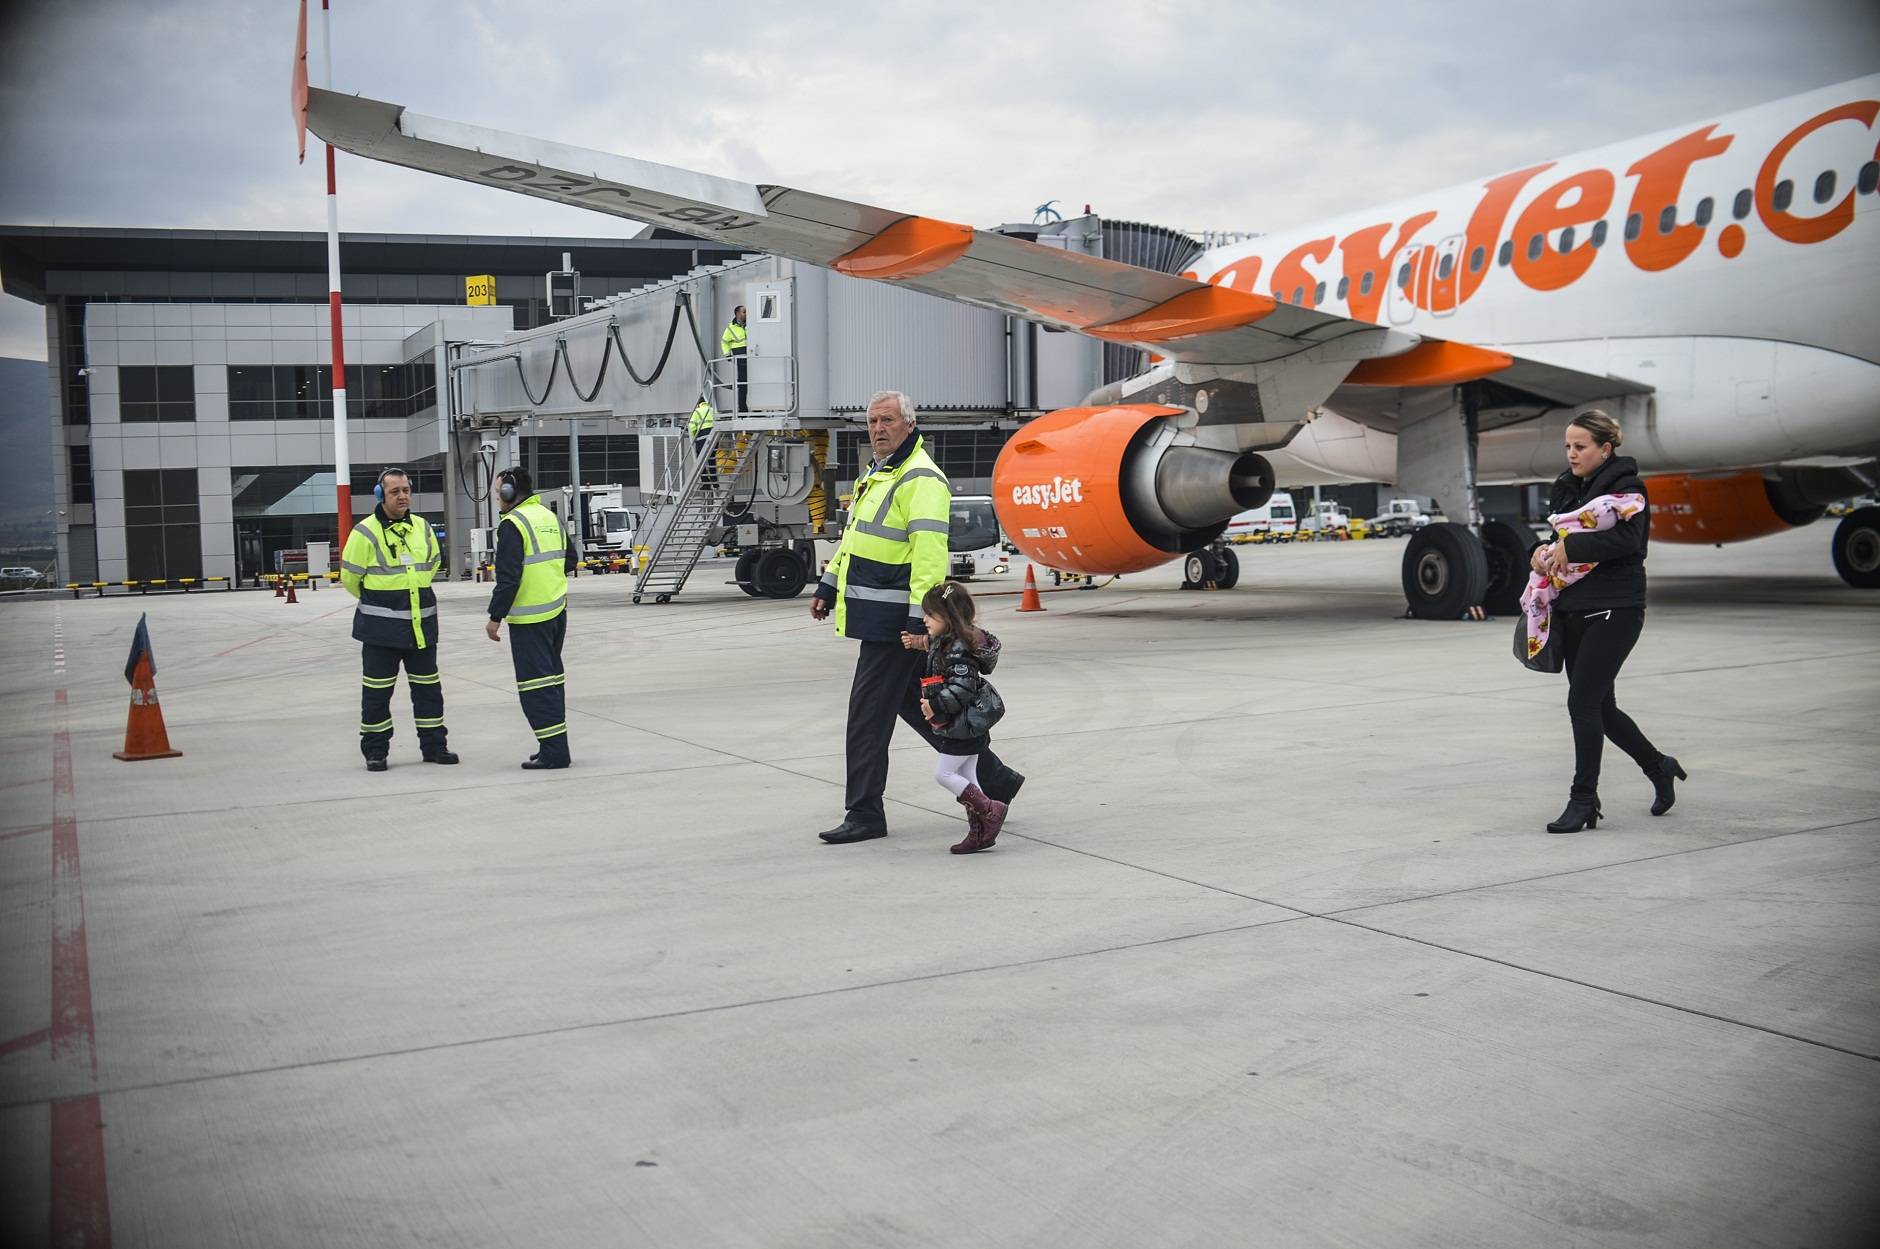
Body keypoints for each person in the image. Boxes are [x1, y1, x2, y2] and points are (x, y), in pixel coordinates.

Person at [809, 390, 1024, 844]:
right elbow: (856, 540)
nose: (878, 429)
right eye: (872, 421)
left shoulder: (921, 478)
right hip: (876, 614)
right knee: (919, 706)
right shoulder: (880, 473)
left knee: (867, 716)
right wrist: (830, 583)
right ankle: (996, 779)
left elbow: (929, 556)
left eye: (887, 420)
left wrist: (917, 620)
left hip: (895, 623)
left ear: (910, 424)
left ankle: (865, 812)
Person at [1530, 410, 1685, 833]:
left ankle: (1583, 800)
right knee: (1601, 707)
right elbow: (1557, 538)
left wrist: (1572, 546)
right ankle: (1659, 766)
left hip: (1618, 607)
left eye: (1580, 446)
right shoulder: (1567, 488)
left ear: (1605, 449)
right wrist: (1541, 551)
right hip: (1573, 607)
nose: (1572, 453)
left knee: (1582, 704)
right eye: (1568, 446)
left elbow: (1628, 540)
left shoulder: (1627, 489)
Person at [340, 467, 457, 772]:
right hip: (381, 634)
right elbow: (351, 578)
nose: (403, 496)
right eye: (395, 491)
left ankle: (435, 747)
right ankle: (375, 752)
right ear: (381, 495)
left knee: (429, 692)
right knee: (377, 694)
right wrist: (384, 603)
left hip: (421, 629)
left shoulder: (422, 527)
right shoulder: (364, 532)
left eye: (406, 490)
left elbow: (432, 564)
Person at [485, 467, 577, 770]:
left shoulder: (513, 524)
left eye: (499, 492)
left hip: (530, 620)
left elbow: (508, 578)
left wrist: (494, 617)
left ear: (510, 493)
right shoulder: (548, 517)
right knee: (552, 682)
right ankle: (551, 745)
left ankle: (555, 753)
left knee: (535, 687)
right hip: (556, 612)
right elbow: (571, 559)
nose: (497, 498)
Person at [911, 580, 1009, 854]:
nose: (925, 619)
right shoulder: (948, 642)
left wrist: (936, 706)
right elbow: (935, 646)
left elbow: (962, 688)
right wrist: (919, 642)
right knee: (968, 775)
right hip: (966, 726)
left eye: (931, 614)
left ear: (949, 617)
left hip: (962, 726)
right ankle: (980, 833)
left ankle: (990, 810)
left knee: (944, 774)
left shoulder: (958, 651)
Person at [721, 304, 748, 412]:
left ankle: (757, 408)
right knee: (743, 384)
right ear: (737, 314)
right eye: (744, 312)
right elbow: (724, 342)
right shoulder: (730, 328)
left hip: (752, 356)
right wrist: (727, 355)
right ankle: (742, 409)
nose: (746, 314)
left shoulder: (750, 325)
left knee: (753, 382)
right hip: (740, 357)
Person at [688, 395, 718, 487]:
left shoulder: (697, 411)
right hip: (714, 436)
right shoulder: (712, 410)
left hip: (702, 438)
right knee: (711, 459)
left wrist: (693, 439)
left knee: (700, 460)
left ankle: (706, 482)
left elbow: (691, 426)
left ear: (698, 404)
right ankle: (714, 482)